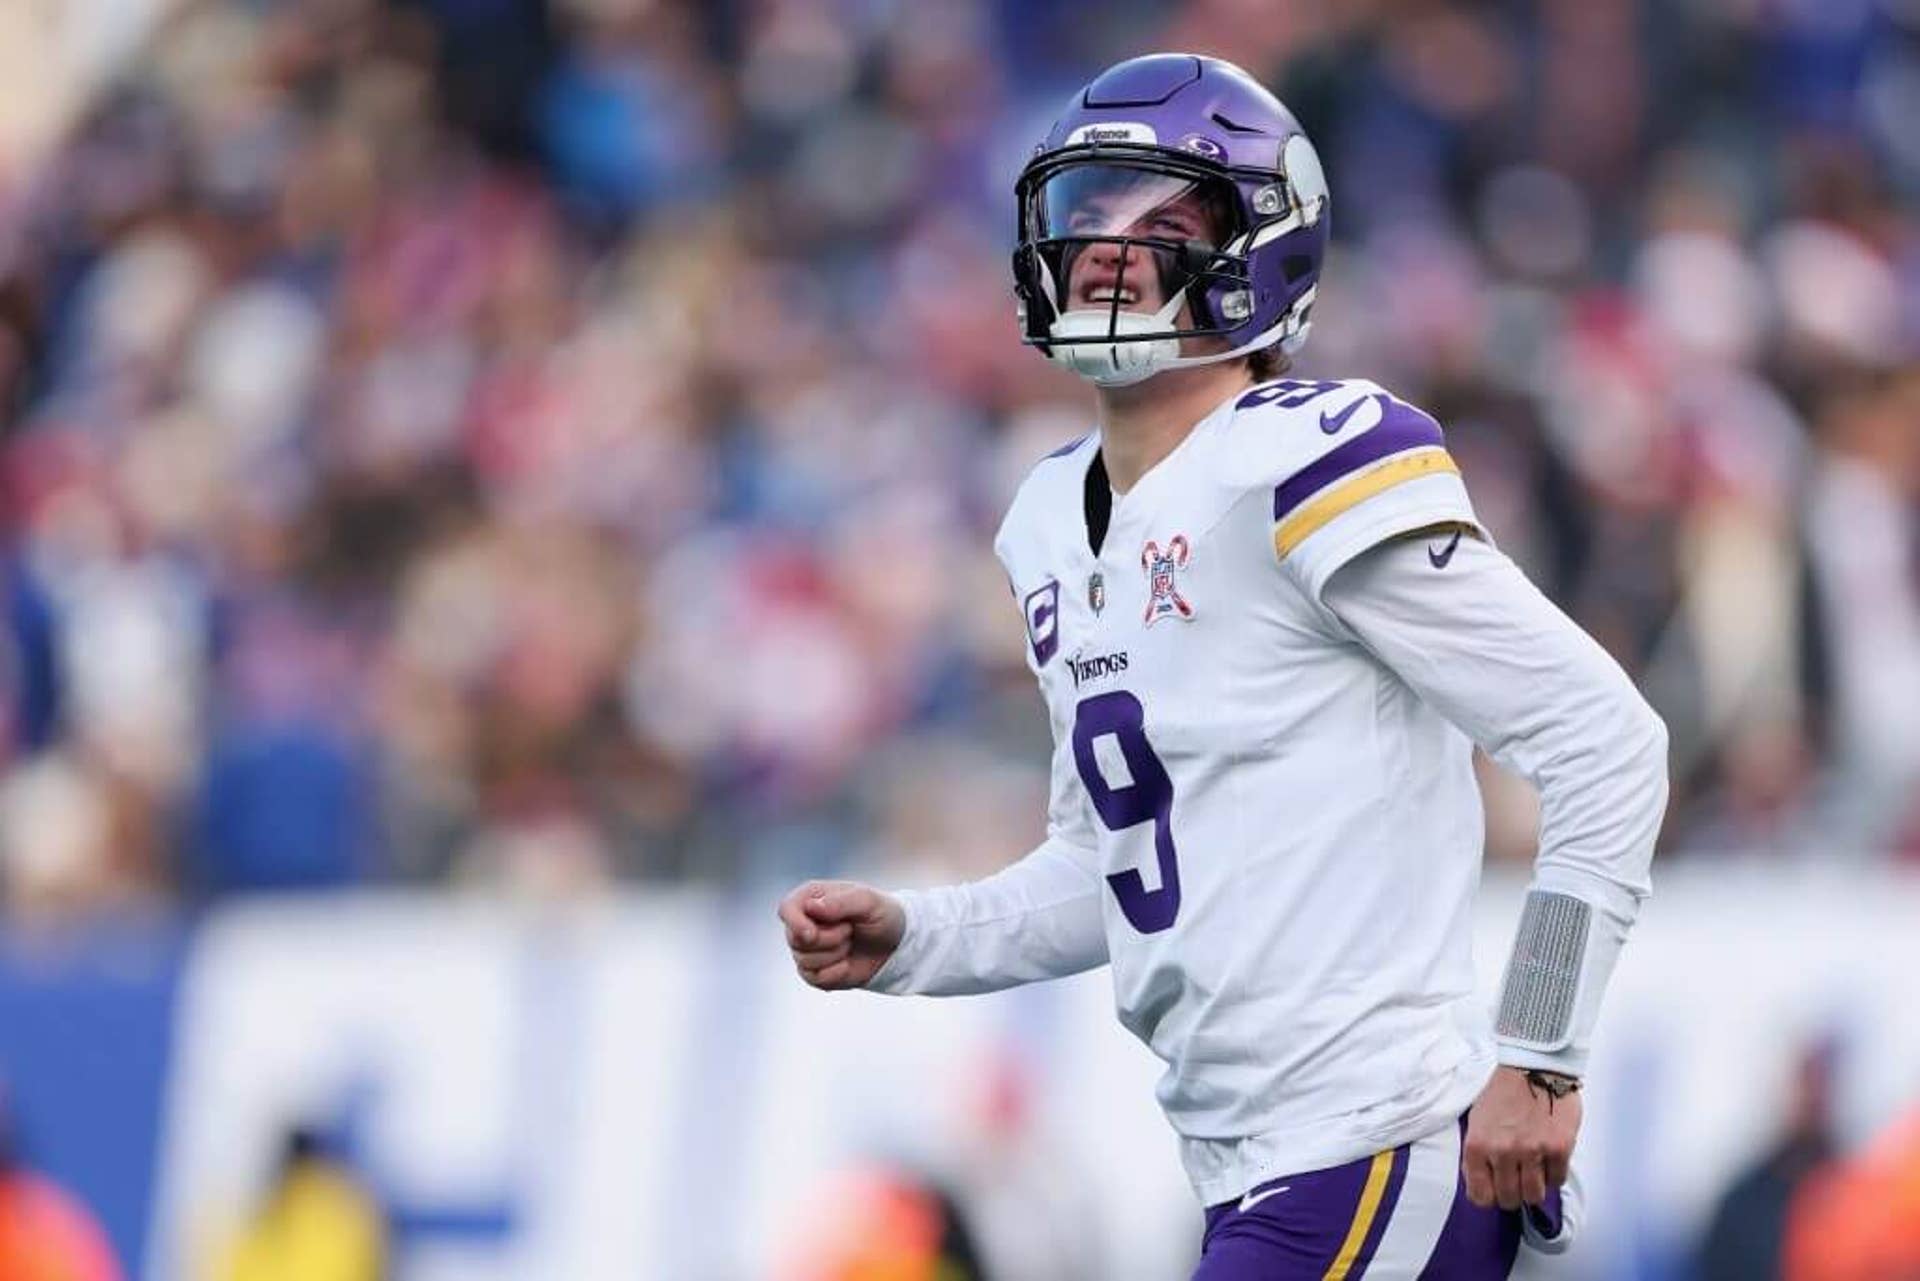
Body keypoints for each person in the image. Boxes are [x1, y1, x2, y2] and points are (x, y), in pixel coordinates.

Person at [777, 53, 1668, 1278]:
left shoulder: (1306, 458)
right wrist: (922, 936)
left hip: (1373, 1140)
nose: (1106, 249)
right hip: (1256, 1167)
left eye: (1160, 219)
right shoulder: (1048, 520)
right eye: (1085, 215)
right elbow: (1118, 862)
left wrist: (1541, 1053)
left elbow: (1605, 743)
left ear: (1261, 250)